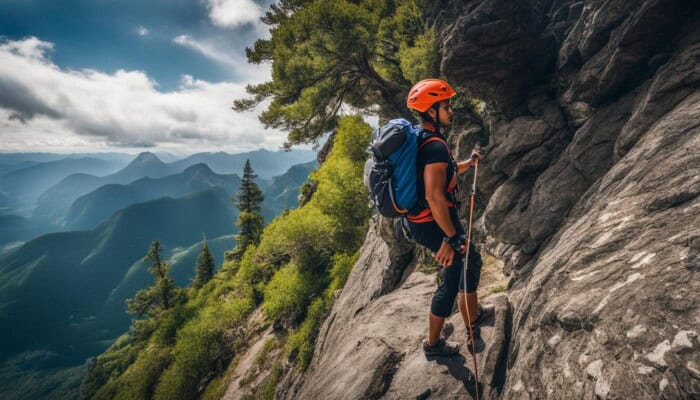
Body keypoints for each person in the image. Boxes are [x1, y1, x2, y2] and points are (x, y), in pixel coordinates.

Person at [404, 79, 493, 356]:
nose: (451, 110)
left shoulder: (425, 139)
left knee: (470, 260)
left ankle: (472, 316)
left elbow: (446, 174)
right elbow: (434, 196)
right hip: (433, 222)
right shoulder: (434, 146)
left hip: (424, 221)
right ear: (432, 112)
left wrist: (469, 162)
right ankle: (433, 345)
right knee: (455, 272)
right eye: (446, 106)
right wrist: (452, 238)